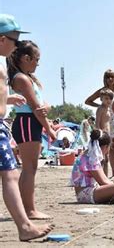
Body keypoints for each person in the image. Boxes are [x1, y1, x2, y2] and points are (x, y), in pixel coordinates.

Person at [0, 13, 54, 241]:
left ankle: (26, 218)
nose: (15, 44)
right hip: (22, 123)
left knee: (17, 171)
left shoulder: (22, 77)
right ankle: (26, 217)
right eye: (14, 39)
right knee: (20, 171)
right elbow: (35, 107)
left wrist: (9, 100)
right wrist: (50, 129)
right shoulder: (15, 76)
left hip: (20, 122)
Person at [7, 39, 57, 220]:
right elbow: (36, 108)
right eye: (36, 59)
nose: (38, 63)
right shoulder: (21, 78)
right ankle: (29, 210)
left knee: (31, 168)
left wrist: (46, 111)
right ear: (26, 58)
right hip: (27, 122)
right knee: (29, 168)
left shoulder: (27, 78)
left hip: (30, 122)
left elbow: (42, 106)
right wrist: (50, 130)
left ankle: (28, 208)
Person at [70, 129, 114, 204]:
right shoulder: (91, 159)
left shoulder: (90, 155)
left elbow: (105, 180)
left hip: (92, 189)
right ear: (106, 147)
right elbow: (103, 182)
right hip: (86, 194)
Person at [85, 69, 114, 177]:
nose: (110, 79)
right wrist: (101, 107)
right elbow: (88, 101)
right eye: (107, 77)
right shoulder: (102, 92)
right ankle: (103, 175)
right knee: (104, 154)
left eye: (112, 77)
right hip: (104, 123)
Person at [96, 88, 114, 176]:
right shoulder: (101, 109)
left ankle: (106, 176)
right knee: (101, 158)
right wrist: (100, 134)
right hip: (102, 135)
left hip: (108, 134)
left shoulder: (108, 109)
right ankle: (101, 176)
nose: (108, 100)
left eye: (110, 98)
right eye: (106, 98)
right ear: (101, 99)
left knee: (106, 158)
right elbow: (97, 122)